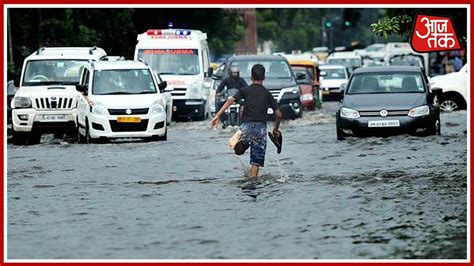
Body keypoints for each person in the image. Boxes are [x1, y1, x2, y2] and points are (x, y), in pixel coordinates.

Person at [211, 64, 282, 178]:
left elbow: (230, 101)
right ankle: (253, 181)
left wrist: (217, 115)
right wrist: (275, 129)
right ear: (264, 78)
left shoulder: (245, 90)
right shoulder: (267, 93)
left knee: (239, 151)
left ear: (251, 77)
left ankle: (237, 141)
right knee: (256, 161)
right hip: (260, 128)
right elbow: (278, 114)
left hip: (246, 126)